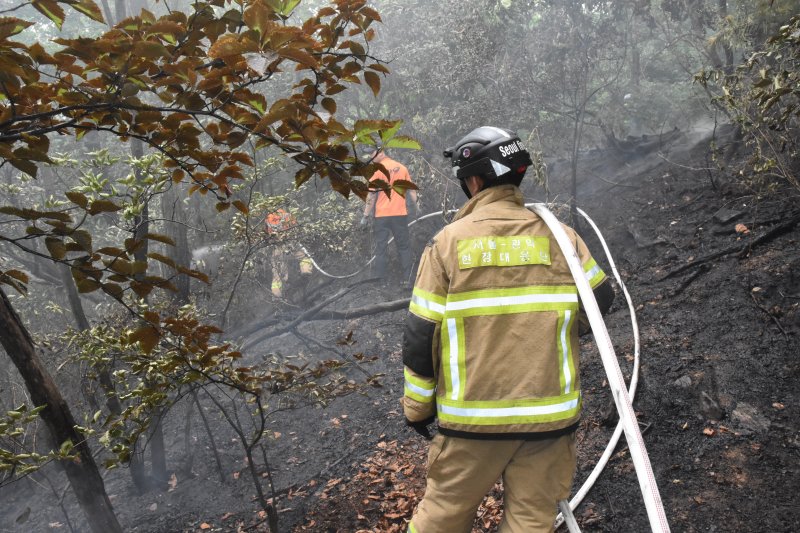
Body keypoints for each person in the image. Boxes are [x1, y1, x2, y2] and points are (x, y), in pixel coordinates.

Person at [401, 126, 615, 532]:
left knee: (441, 518)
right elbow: (601, 301)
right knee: (532, 521)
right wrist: (556, 326)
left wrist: (418, 408)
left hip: (472, 423)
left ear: (476, 180)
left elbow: (420, 336)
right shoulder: (561, 237)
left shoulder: (448, 242)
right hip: (549, 420)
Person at [359, 145, 419, 285]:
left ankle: (382, 281)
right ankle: (408, 280)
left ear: (380, 152)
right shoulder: (402, 168)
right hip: (399, 214)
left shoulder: (377, 172)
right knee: (404, 247)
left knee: (381, 248)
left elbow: (372, 196)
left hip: (382, 216)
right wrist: (416, 207)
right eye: (369, 154)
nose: (370, 157)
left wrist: (365, 217)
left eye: (372, 153)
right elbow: (411, 190)